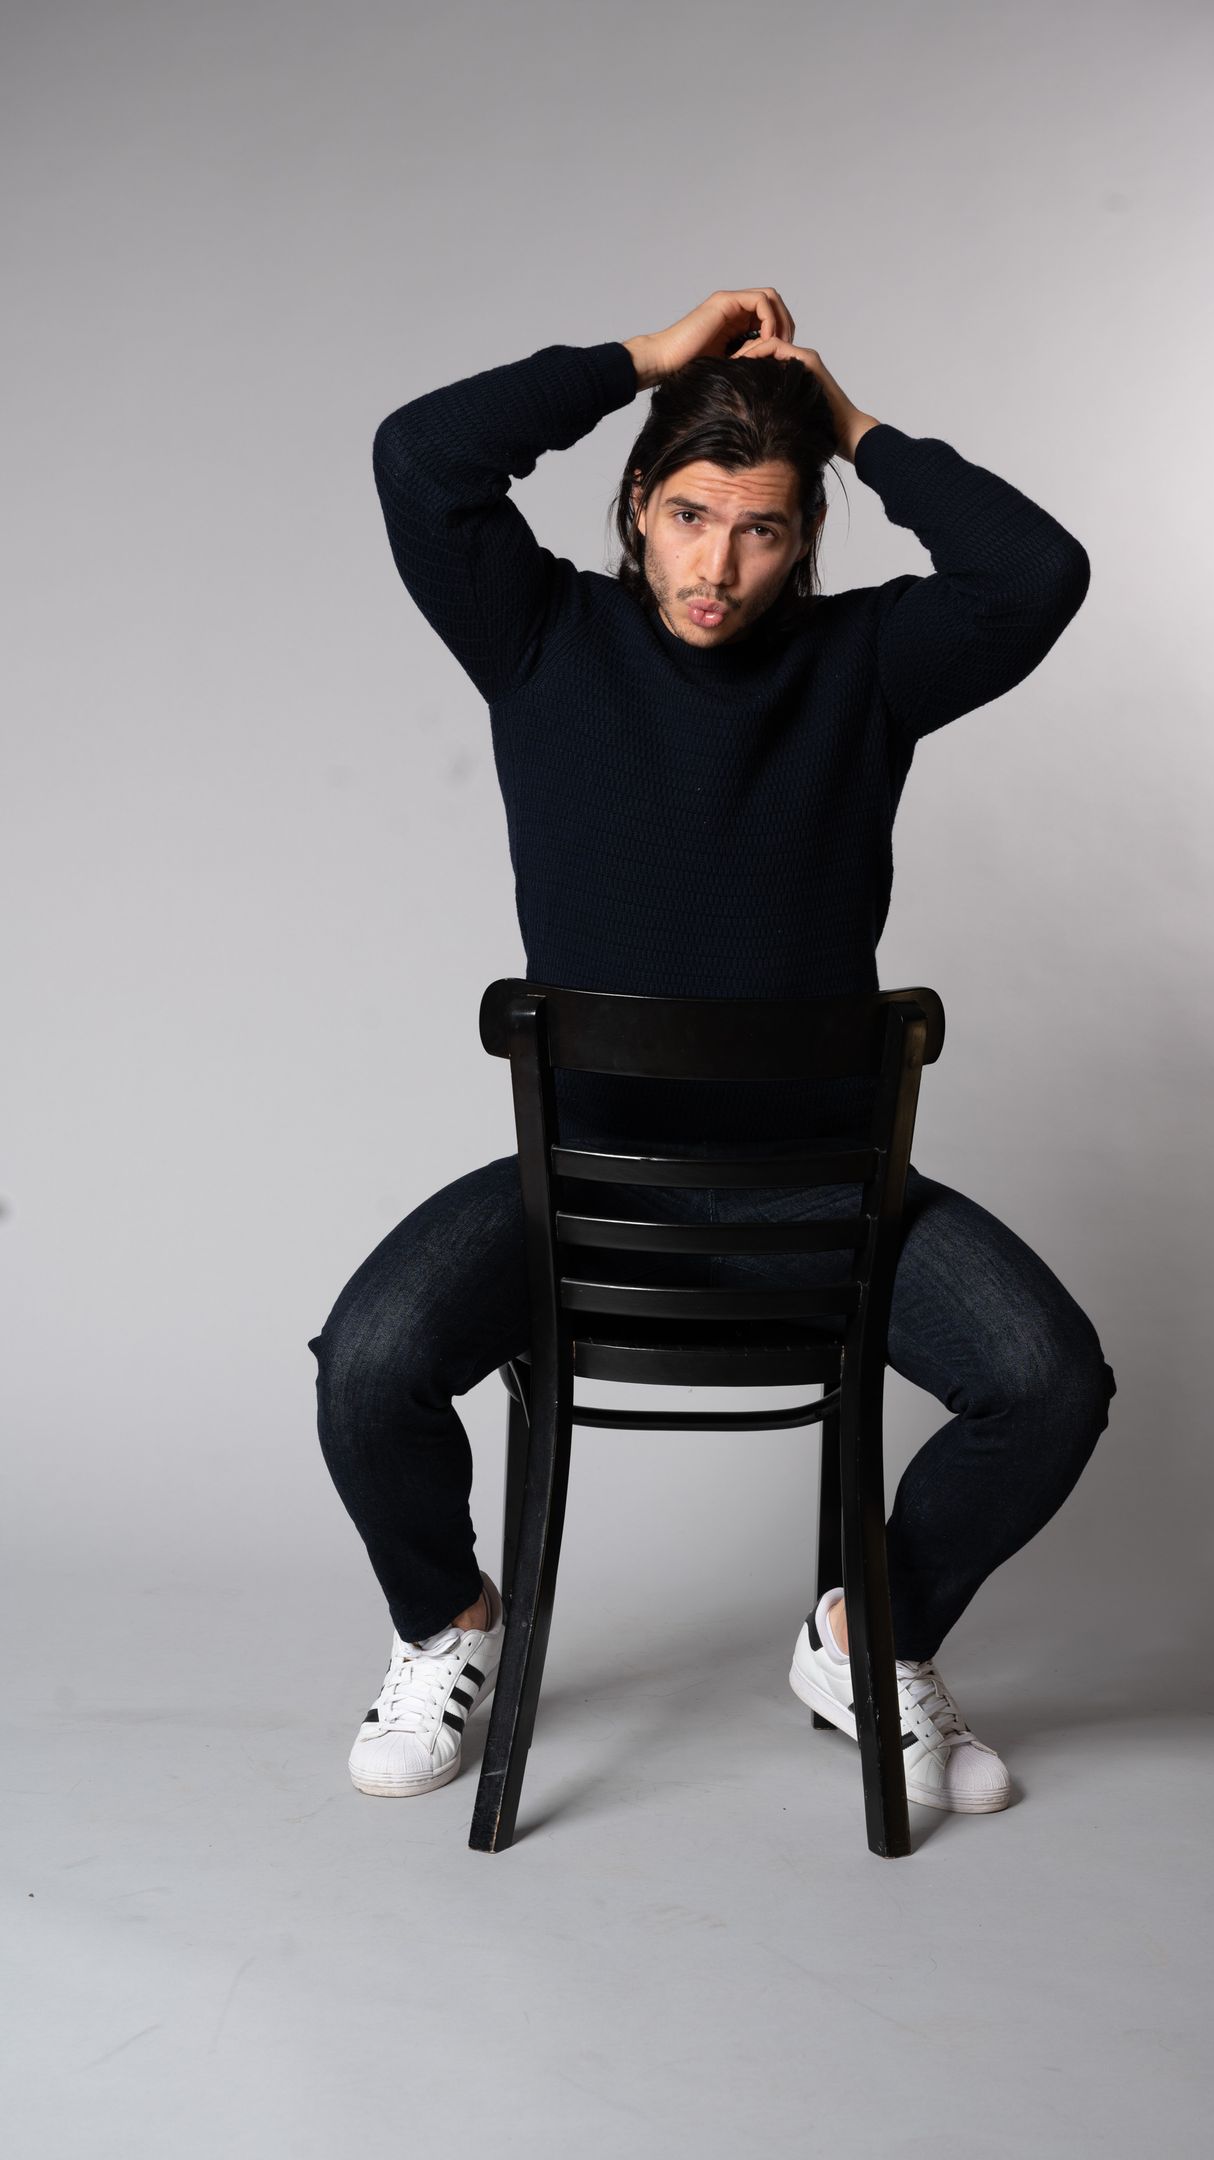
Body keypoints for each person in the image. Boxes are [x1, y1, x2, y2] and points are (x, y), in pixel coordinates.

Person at [310, 286, 1117, 1816]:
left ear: (803, 538)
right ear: (637, 504)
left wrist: (851, 426)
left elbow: (1037, 572)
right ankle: (449, 1625)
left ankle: (866, 1636)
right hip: (580, 1187)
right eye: (689, 518)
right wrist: (639, 360)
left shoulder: (868, 663)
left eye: (760, 530)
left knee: (1048, 1382)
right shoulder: (541, 635)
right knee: (369, 1367)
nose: (717, 564)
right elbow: (420, 457)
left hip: (821, 1196)